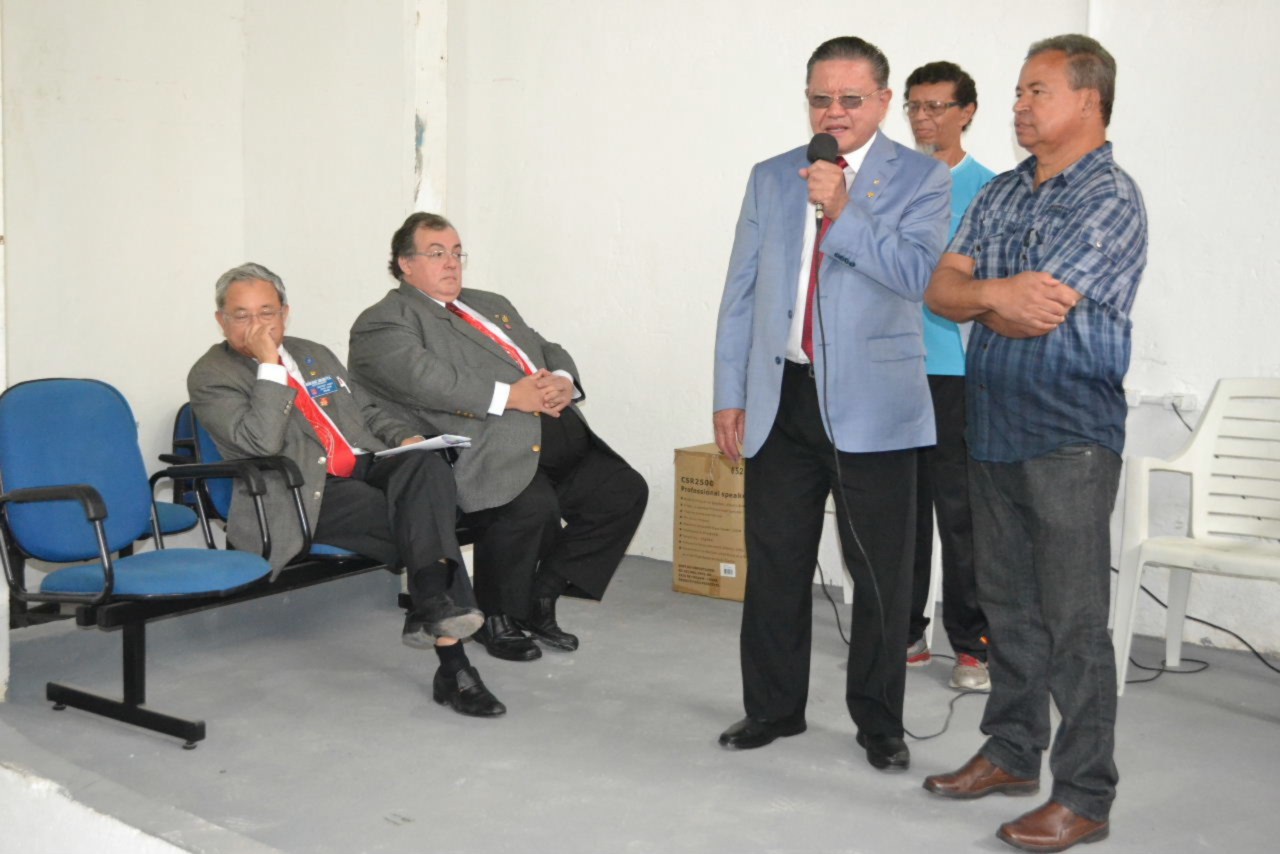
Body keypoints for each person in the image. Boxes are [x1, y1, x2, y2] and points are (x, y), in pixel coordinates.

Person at [922, 35, 1147, 852]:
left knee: (1074, 621)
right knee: (1008, 608)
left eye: (1036, 91)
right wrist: (994, 294)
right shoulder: (1003, 190)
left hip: (1069, 437)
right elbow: (941, 290)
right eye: (1018, 91)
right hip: (993, 427)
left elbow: (1039, 310)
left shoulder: (1111, 198)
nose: (1019, 105)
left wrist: (983, 295)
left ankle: (1084, 795)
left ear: (1089, 99)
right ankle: (1013, 752)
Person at [712, 36, 950, 771]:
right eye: (821, 99)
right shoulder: (772, 176)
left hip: (875, 404)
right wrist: (730, 393)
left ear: (883, 101)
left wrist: (843, 208)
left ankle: (879, 723)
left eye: (851, 99)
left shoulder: (922, 177)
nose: (834, 112)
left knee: (879, 574)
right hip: (782, 396)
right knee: (776, 563)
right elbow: (742, 291)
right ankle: (773, 709)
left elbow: (916, 275)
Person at [188, 262, 505, 718]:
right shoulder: (211, 375)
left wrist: (404, 437)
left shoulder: (312, 353)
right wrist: (269, 367)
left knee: (426, 464)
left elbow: (366, 411)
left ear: (285, 313)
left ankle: (431, 604)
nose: (256, 325)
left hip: (367, 463)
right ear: (221, 320)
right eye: (242, 315)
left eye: (266, 312)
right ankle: (453, 661)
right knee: (422, 523)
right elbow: (261, 443)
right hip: (300, 490)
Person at [347, 213, 648, 663]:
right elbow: (427, 380)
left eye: (456, 253)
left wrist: (563, 379)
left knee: (623, 493)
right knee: (531, 508)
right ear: (405, 264)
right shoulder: (384, 321)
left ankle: (542, 595)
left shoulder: (489, 303)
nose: (451, 263)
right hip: (485, 446)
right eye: (436, 253)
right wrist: (512, 396)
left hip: (552, 439)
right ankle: (497, 617)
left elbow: (546, 348)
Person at [901, 61, 997, 692]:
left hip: (956, 374)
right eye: (914, 106)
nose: (923, 118)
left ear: (967, 113)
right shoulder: (886, 184)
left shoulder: (991, 190)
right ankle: (904, 630)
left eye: (936, 106)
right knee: (899, 512)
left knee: (960, 516)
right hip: (891, 371)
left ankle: (970, 646)